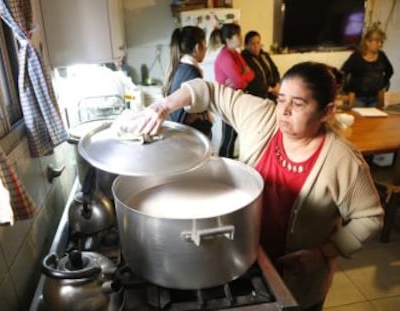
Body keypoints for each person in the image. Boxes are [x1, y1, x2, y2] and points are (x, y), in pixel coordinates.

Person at [127, 61, 384, 310]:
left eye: (298, 104)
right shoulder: (262, 116)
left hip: (299, 280)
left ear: (326, 111)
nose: (283, 111)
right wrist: (162, 106)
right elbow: (209, 90)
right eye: (281, 99)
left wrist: (323, 253)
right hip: (245, 263)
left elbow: (370, 218)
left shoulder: (341, 160)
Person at [211, 23, 255, 158]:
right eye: (238, 35)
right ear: (229, 39)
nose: (241, 38)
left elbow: (251, 74)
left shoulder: (234, 53)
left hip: (234, 101)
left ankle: (228, 168)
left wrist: (243, 75)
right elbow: (241, 83)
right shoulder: (225, 57)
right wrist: (243, 74)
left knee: (233, 136)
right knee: (228, 139)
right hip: (227, 103)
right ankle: (224, 169)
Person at [162, 26, 212, 137]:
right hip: (191, 135)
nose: (206, 49)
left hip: (183, 134)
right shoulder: (191, 71)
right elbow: (193, 111)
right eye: (205, 45)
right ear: (198, 47)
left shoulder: (181, 67)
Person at [341, 25, 393, 107]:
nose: (380, 45)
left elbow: (390, 71)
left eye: (381, 42)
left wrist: (382, 84)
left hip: (376, 97)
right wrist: (347, 91)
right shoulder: (356, 56)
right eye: (377, 42)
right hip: (357, 97)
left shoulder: (382, 56)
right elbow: (343, 72)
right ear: (367, 42)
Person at [241, 30, 280, 100]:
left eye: (258, 43)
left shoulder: (265, 55)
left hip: (273, 92)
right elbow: (252, 80)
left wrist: (277, 85)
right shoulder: (244, 59)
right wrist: (270, 89)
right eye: (252, 44)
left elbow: (275, 70)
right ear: (246, 45)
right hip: (258, 95)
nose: (256, 46)